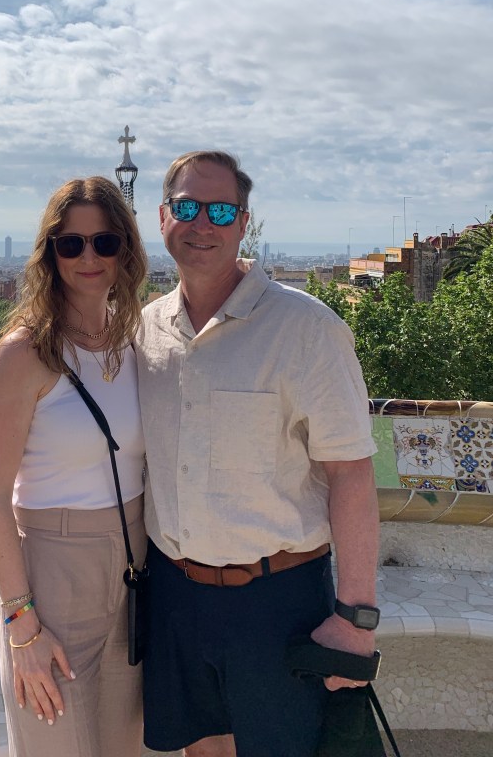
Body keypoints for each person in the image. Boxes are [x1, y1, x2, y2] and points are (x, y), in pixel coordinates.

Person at [136, 150, 380, 757]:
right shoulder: (145, 332)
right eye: (187, 207)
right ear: (162, 217)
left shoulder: (306, 329)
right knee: (201, 748)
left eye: (221, 211)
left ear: (244, 223)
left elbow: (351, 473)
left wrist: (356, 619)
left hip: (279, 600)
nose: (203, 224)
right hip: (175, 594)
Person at [0, 176, 147, 757]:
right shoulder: (24, 353)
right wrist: (21, 624)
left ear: (125, 249)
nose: (89, 257)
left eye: (104, 242)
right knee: (55, 741)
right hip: (54, 571)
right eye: (71, 244)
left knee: (126, 744)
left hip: (134, 570)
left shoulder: (133, 339)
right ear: (50, 253)